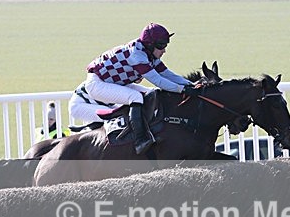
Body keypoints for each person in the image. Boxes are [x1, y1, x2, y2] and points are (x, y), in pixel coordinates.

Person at [70, 23, 200, 154]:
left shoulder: (147, 53)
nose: (164, 50)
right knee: (135, 97)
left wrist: (191, 85)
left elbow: (167, 74)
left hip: (109, 84)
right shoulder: (137, 55)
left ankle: (148, 131)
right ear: (150, 44)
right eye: (161, 45)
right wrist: (182, 89)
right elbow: (158, 81)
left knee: (151, 93)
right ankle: (140, 140)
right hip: (95, 87)